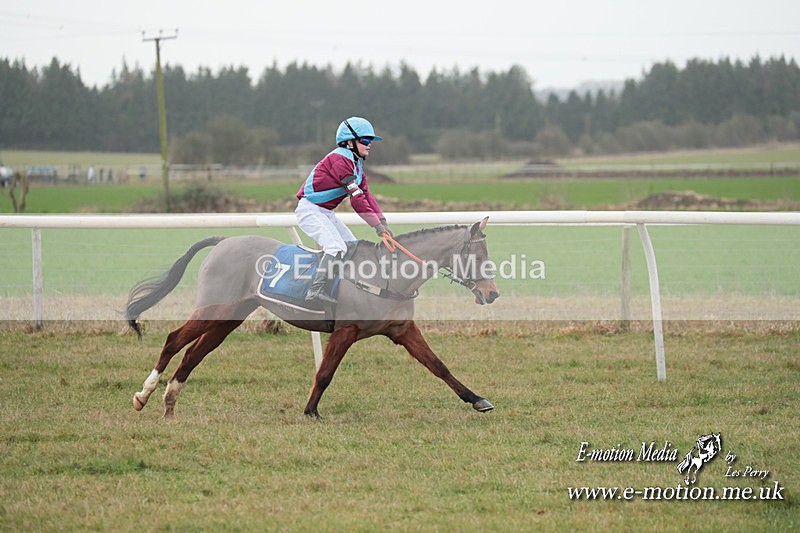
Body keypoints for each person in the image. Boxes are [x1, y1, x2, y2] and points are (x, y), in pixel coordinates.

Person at [295, 116, 392, 303]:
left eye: (371, 141)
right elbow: (357, 201)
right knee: (336, 247)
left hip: (325, 213)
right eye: (365, 140)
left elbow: (367, 196)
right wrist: (376, 226)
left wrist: (383, 222)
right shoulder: (340, 159)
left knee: (352, 245)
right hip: (310, 211)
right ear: (349, 142)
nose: (369, 144)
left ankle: (345, 289)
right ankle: (315, 290)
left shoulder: (357, 165)